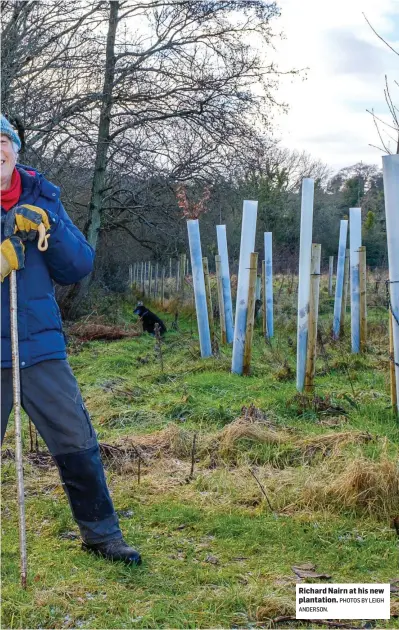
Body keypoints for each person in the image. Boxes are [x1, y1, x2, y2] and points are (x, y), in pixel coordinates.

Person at [0, 115, 141, 565]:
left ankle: (102, 535)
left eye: (3, 140)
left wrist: (50, 228)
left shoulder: (45, 197)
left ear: (17, 150)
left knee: (75, 438)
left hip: (40, 347)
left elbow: (78, 266)